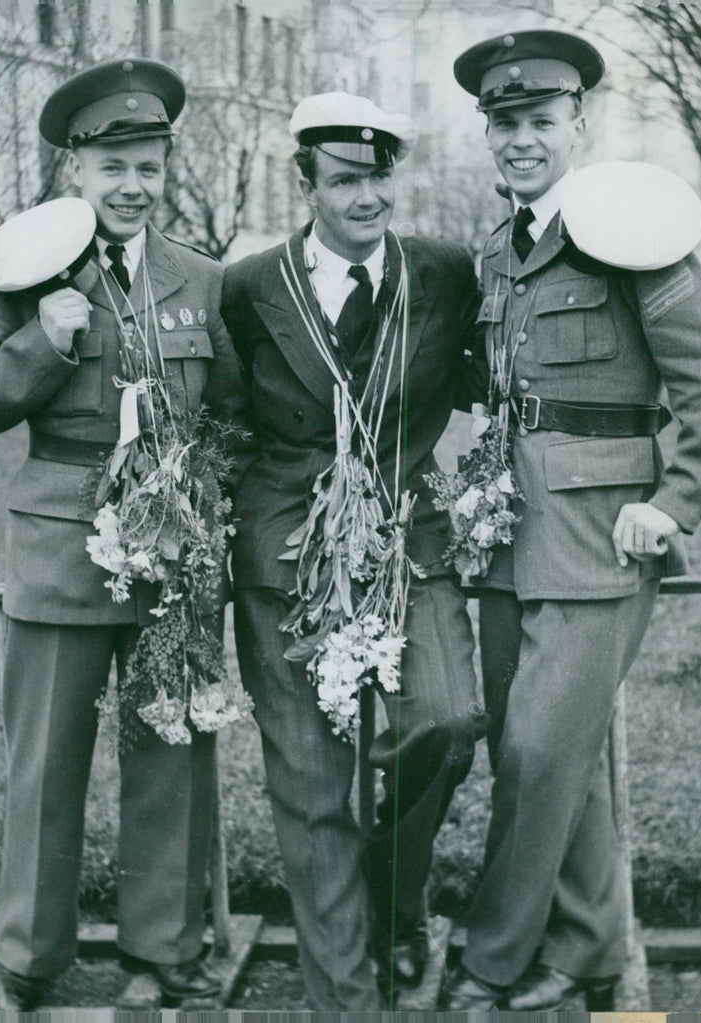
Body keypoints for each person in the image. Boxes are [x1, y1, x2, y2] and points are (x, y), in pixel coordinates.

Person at [0, 59, 245, 1011]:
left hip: (172, 557)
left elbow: (235, 415)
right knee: (44, 764)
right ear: (73, 167)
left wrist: (202, 504)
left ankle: (163, 950)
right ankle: (28, 956)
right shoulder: (23, 271)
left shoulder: (202, 277)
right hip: (60, 548)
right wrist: (44, 338)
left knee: (171, 758)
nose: (131, 186)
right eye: (112, 166)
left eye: (148, 167)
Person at [446, 30, 701, 1010]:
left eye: (539, 120)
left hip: (603, 535)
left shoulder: (632, 231)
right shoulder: (497, 249)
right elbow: (484, 392)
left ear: (579, 124)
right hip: (504, 534)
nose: (521, 139)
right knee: (540, 751)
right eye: (504, 123)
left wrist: (671, 503)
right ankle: (590, 946)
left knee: (537, 750)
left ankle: (495, 959)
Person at [220, 91, 488, 1010]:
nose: (367, 197)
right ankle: (346, 999)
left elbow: (495, 376)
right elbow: (227, 417)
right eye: (343, 181)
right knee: (311, 784)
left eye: (378, 177)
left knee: (447, 720)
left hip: (410, 539)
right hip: (286, 554)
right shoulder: (249, 286)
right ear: (307, 185)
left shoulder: (444, 272)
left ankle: (393, 906)